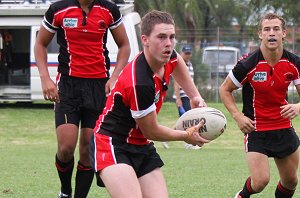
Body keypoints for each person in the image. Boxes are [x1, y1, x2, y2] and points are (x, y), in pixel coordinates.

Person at [89, 10, 209, 197]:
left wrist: (194, 95)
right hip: (112, 142)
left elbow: (177, 63)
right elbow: (152, 131)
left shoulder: (167, 55)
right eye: (161, 37)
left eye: (171, 37)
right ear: (145, 40)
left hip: (140, 144)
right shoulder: (140, 82)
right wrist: (186, 135)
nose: (168, 43)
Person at [34, 0, 130, 197]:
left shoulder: (109, 9)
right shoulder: (59, 9)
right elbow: (40, 44)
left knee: (87, 148)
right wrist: (45, 78)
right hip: (68, 86)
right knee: (66, 147)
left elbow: (125, 46)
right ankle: (65, 190)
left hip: (98, 87)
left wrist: (115, 77)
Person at [219, 12, 300, 198]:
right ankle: (241, 195)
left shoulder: (294, 63)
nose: (271, 33)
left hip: (283, 127)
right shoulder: (248, 64)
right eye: (267, 29)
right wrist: (238, 116)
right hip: (256, 129)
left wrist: (297, 107)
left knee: (291, 181)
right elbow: (224, 90)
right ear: (260, 34)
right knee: (260, 181)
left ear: (284, 33)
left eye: (276, 29)